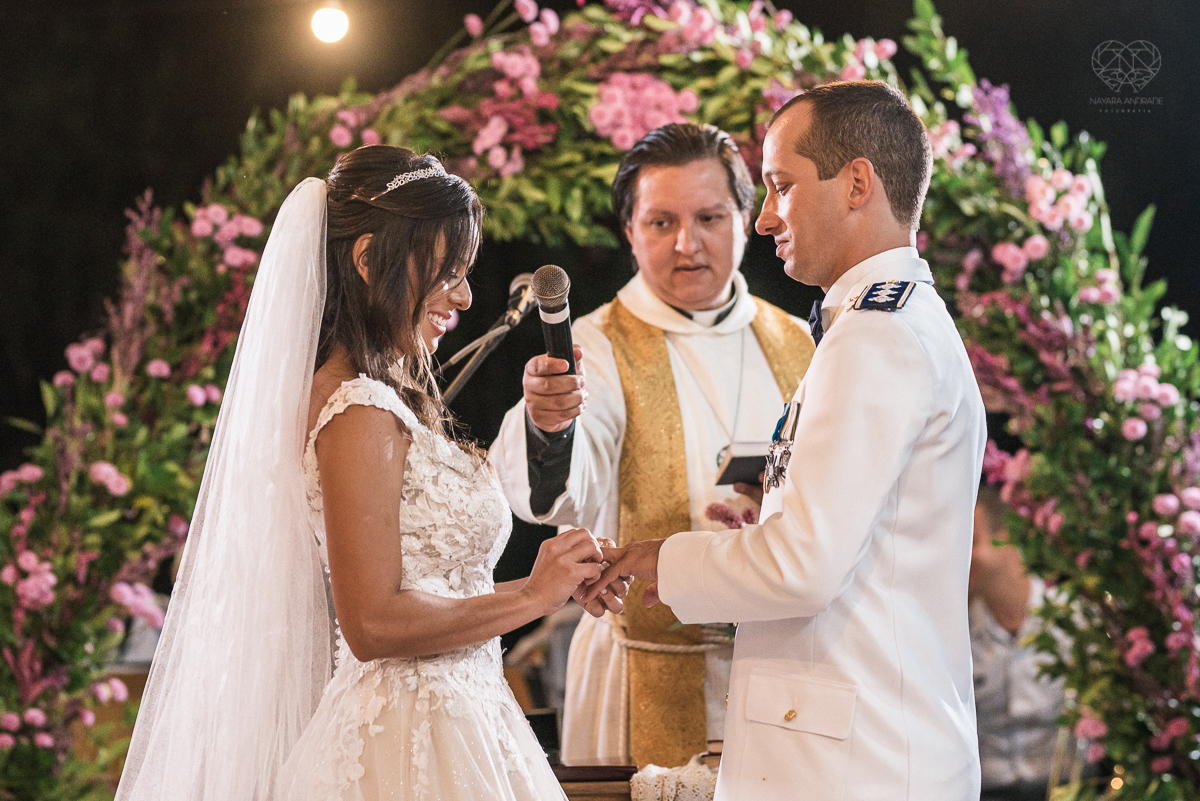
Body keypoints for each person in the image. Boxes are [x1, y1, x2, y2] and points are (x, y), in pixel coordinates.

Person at [117, 145, 626, 801]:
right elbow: (373, 623)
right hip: (404, 746)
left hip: (460, 720)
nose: (465, 297)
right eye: (447, 272)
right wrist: (533, 593)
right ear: (367, 261)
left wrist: (559, 571)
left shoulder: (377, 400)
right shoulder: (355, 408)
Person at [586, 81, 988, 800]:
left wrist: (661, 561)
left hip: (854, 761)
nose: (766, 216)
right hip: (856, 743)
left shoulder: (876, 336)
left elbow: (804, 566)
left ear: (857, 182)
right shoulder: (886, 321)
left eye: (780, 186)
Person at [489, 123, 816, 769]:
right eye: (661, 222)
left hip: (778, 669)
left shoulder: (797, 342)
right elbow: (563, 489)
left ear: (747, 218)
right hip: (647, 670)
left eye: (710, 217)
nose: (687, 244)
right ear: (630, 231)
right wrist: (549, 424)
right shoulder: (600, 344)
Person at [971, 486, 1068, 801]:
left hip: (1065, 789)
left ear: (1007, 538)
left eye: (971, 543)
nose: (959, 557)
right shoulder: (954, 631)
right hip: (987, 792)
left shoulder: (1072, 620)